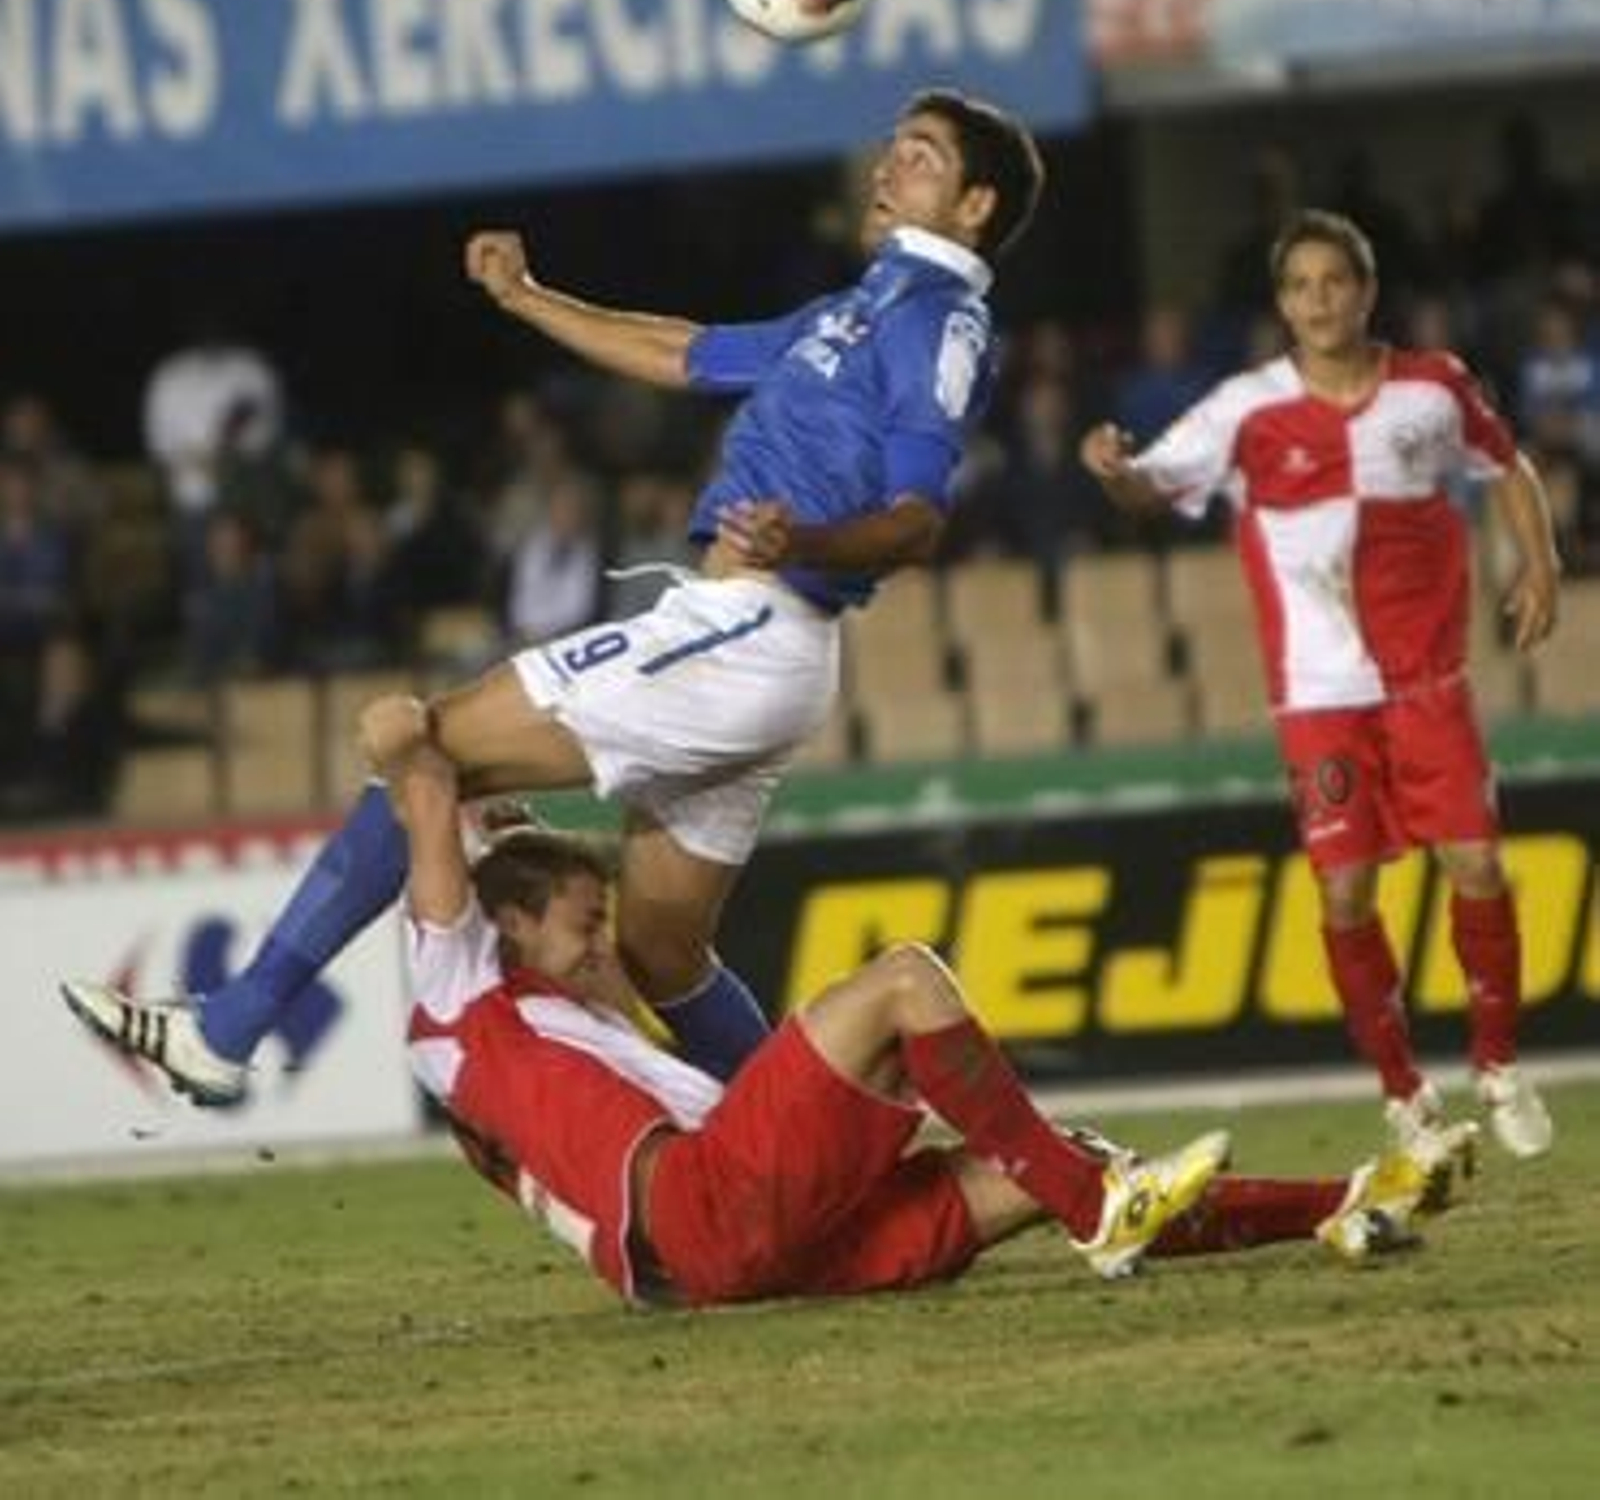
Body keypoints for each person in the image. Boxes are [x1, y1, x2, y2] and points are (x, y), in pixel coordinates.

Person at [63, 87, 1046, 1106]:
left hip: (747, 628)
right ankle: (837, 1159)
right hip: (756, 643)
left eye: (921, 157)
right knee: (663, 956)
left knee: (425, 755)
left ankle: (228, 1028)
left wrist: (809, 538)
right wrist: (529, 298)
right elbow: (683, 352)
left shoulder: (941, 322)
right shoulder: (859, 308)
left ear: (975, 207)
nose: (887, 168)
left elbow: (919, 518)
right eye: (891, 148)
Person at [376, 694, 1461, 1307]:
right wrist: (414, 740)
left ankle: (1350, 1198)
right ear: (506, 926)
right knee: (902, 981)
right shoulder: (456, 991)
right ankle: (1096, 1214)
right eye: (579, 926)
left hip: (740, 1257)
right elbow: (419, 781)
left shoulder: (547, 1030)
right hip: (703, 1211)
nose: (597, 947)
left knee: (1049, 1160)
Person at [1080, 208, 1562, 1162]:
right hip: (1318, 696)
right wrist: (1112, 469)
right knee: (1345, 895)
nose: (1319, 300)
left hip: (1429, 682)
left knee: (1477, 868)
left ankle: (1499, 1063)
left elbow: (1507, 465)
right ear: (1283, 305)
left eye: (1334, 281)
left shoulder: (1432, 388)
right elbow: (1151, 484)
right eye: (1300, 286)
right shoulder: (1245, 409)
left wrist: (1538, 561)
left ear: (1366, 290)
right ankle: (1402, 1091)